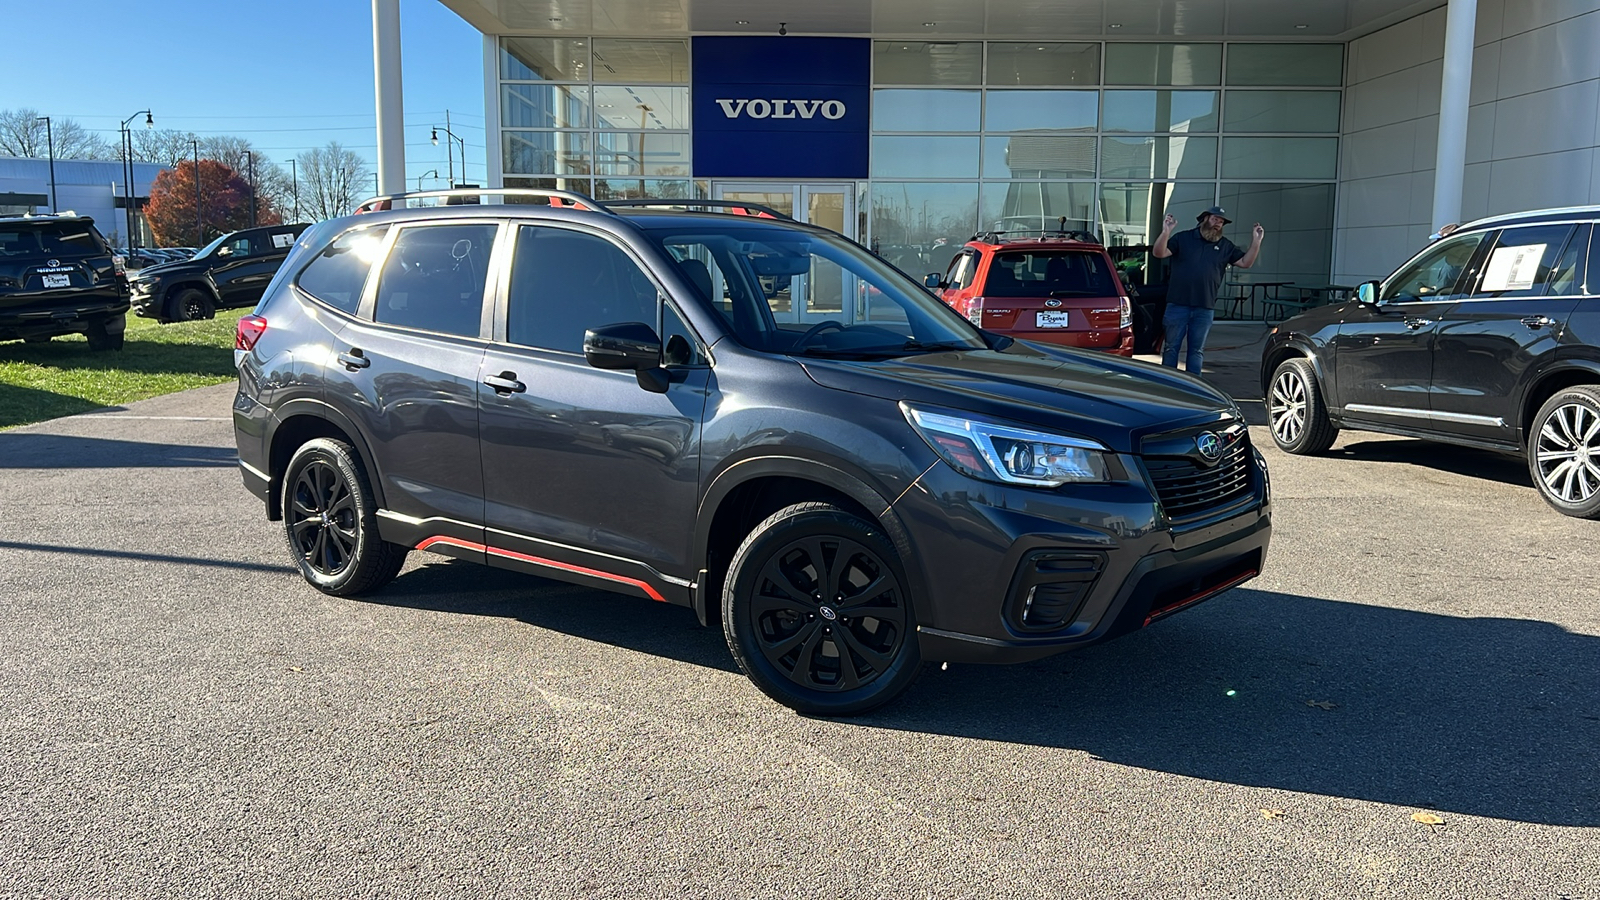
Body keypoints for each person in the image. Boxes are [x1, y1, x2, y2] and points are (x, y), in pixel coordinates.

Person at [1151, 206, 1264, 373]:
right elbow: (1159, 253)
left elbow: (1245, 263)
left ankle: (1194, 388)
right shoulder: (1183, 238)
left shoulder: (1225, 246)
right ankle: (1168, 387)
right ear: (1204, 219)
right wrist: (1166, 232)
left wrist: (1256, 241)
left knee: (1196, 351)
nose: (1218, 224)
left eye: (1221, 222)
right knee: (1170, 348)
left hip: (1204, 308)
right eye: (1215, 219)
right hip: (1177, 305)